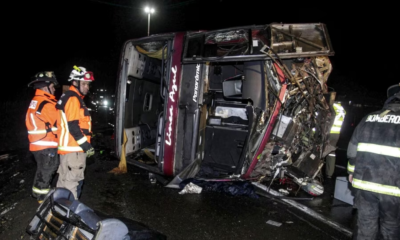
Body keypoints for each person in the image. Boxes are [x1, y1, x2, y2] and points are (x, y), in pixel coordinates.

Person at [347, 83, 400, 240]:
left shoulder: (368, 118)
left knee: (365, 226)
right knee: (391, 227)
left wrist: (351, 172)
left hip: (365, 185)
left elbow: (352, 151)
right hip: (395, 190)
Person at [56, 65, 95, 200]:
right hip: (74, 150)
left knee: (63, 184)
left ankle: (57, 214)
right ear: (75, 82)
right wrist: (86, 145)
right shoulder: (73, 98)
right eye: (84, 84)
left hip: (68, 150)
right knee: (72, 186)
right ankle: (68, 215)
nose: (87, 87)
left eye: (88, 84)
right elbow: (73, 126)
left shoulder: (69, 96)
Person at [25, 71, 60, 203]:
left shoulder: (36, 101)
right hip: (46, 143)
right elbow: (60, 123)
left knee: (44, 170)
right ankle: (41, 198)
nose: (54, 90)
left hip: (38, 144)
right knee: (46, 170)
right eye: (52, 87)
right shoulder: (47, 104)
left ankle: (40, 193)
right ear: (46, 87)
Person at [326, 102, 346, 179]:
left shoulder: (331, 106)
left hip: (329, 133)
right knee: (331, 152)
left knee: (320, 150)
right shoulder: (342, 109)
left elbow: (329, 118)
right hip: (336, 134)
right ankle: (329, 174)